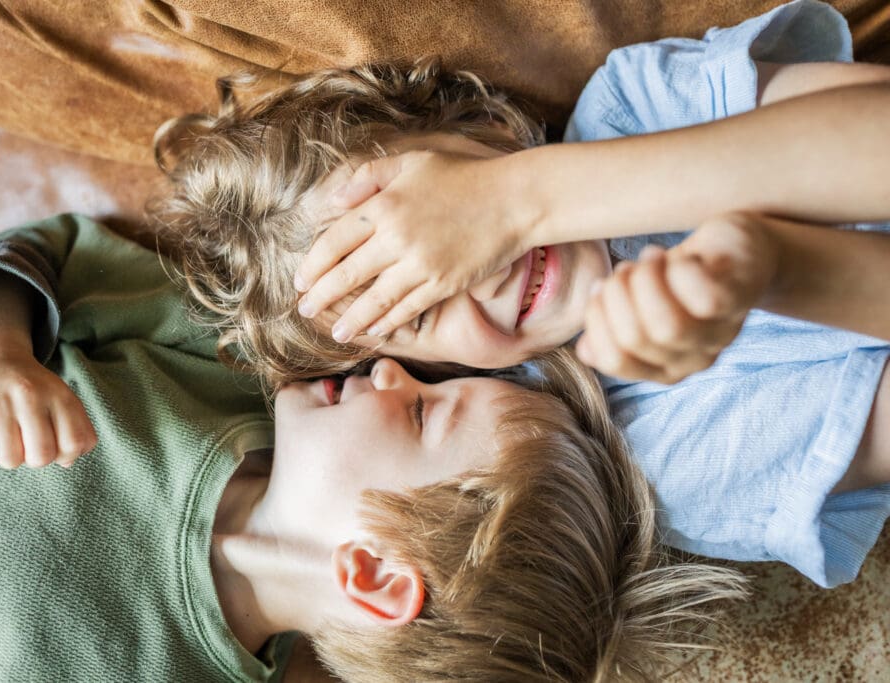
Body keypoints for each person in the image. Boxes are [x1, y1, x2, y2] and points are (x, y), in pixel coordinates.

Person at [152, 0, 890, 588]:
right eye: (422, 299)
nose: (483, 270)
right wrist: (774, 271)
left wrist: (521, 200)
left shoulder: (634, 104)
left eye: (440, 221)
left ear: (488, 127)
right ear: (431, 371)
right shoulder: (657, 460)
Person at [0, 214, 743, 682]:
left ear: (374, 574)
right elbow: (46, 249)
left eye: (420, 413)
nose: (395, 371)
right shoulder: (226, 366)